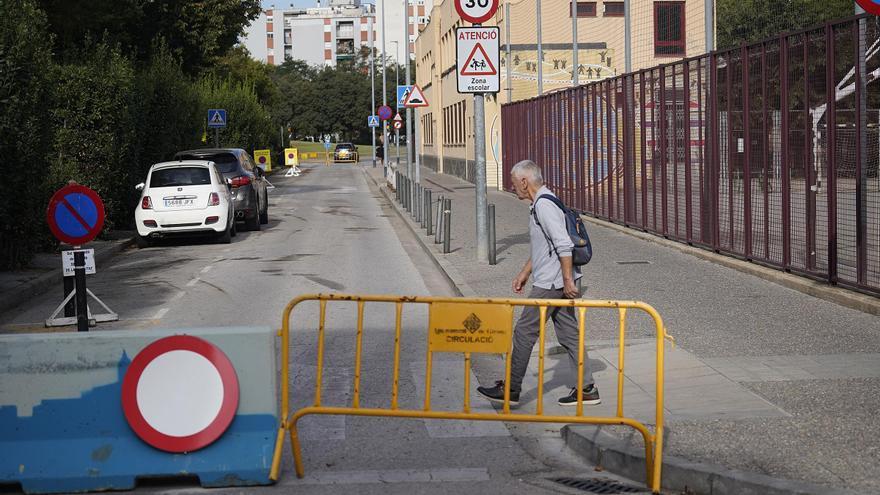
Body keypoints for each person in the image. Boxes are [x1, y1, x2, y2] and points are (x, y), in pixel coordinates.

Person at [477, 159, 600, 407]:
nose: (514, 188)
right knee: (569, 335)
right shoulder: (542, 202)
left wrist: (566, 280)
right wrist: (524, 272)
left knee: (524, 332)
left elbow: (563, 243)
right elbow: (545, 247)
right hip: (555, 280)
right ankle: (586, 389)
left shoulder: (544, 205)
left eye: (514, 183)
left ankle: (511, 389)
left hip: (552, 283)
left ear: (525, 181)